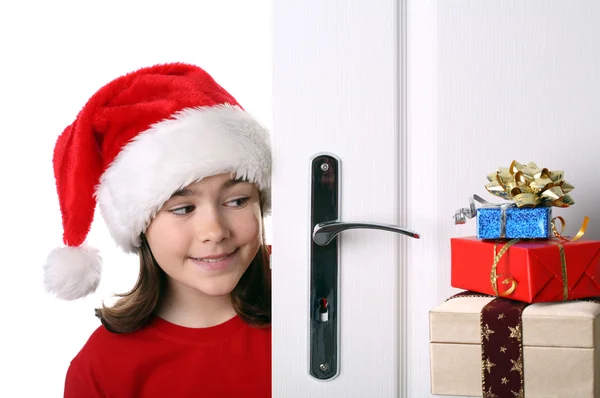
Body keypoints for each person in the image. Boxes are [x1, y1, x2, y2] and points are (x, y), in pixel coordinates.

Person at [43, 63, 272, 397]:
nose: (214, 231)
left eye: (237, 201)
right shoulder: (103, 368)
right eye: (183, 208)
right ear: (141, 226)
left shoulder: (318, 306)